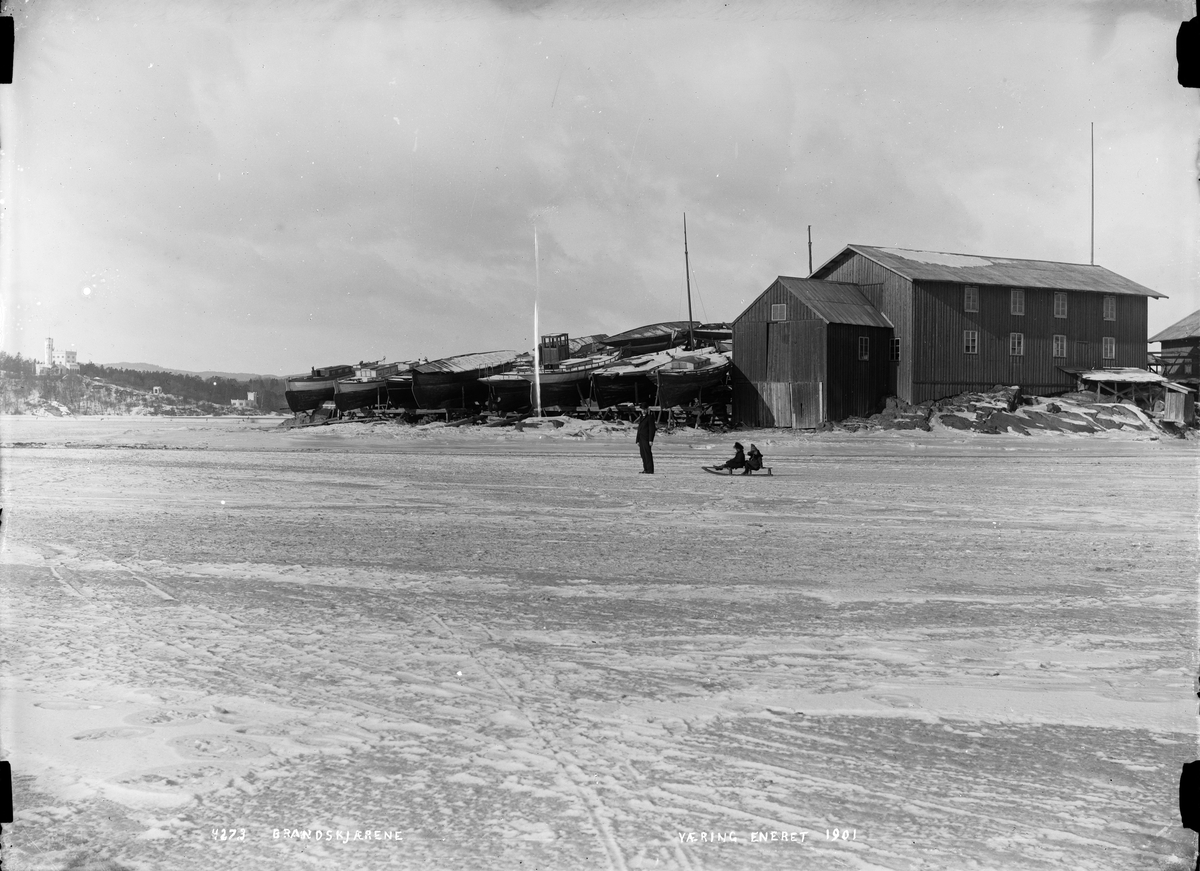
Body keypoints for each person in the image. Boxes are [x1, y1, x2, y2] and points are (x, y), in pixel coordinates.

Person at [635, 404, 656, 474]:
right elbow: (639, 429)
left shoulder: (650, 417)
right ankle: (645, 469)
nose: (643, 411)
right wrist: (637, 440)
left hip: (647, 439)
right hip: (641, 439)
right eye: (642, 410)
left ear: (647, 410)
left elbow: (652, 429)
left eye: (645, 409)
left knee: (647, 454)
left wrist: (651, 440)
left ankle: (650, 470)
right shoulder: (641, 417)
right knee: (643, 454)